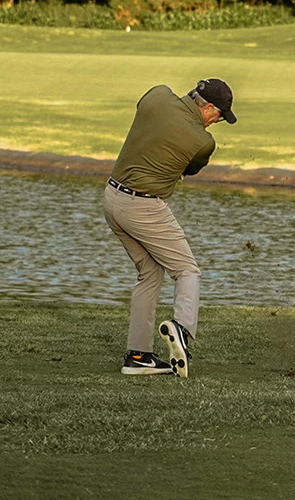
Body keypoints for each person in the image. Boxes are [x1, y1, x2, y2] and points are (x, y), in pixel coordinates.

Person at [104, 77, 236, 375]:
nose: (217, 122)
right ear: (209, 108)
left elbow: (146, 111)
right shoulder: (203, 141)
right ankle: (181, 330)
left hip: (112, 198)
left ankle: (138, 358)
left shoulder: (158, 94)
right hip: (143, 206)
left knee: (150, 274)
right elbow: (189, 168)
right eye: (218, 116)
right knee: (187, 271)